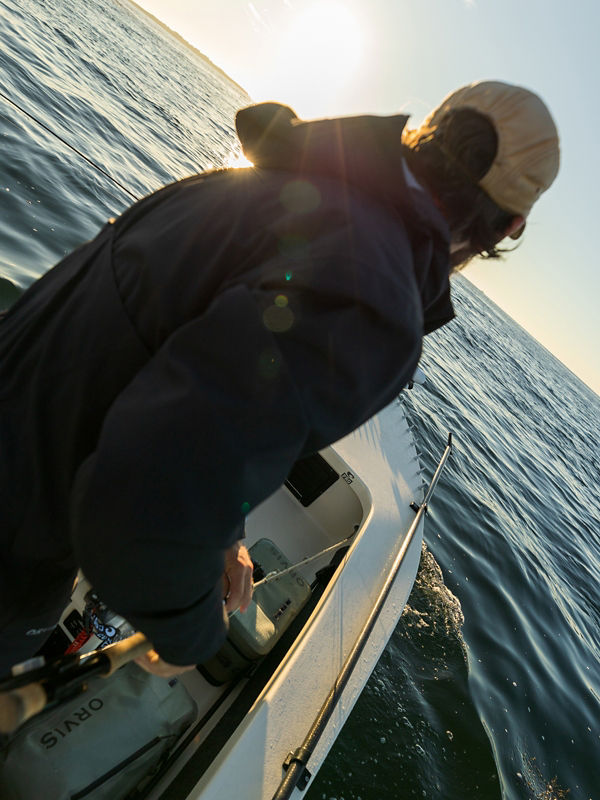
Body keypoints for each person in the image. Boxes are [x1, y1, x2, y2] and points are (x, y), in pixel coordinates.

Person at [0, 80, 559, 677]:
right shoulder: (375, 301)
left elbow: (182, 375)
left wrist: (221, 535)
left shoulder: (283, 180)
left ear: (426, 134)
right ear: (508, 228)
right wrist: (191, 634)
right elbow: (143, 506)